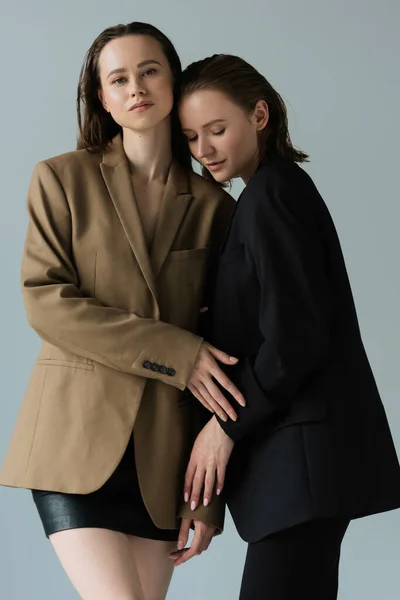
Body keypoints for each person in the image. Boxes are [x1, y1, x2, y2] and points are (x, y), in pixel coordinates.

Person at [0, 26, 244, 600]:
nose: (136, 87)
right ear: (103, 98)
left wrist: (205, 498)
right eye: (118, 78)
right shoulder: (62, 178)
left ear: (173, 80)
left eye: (150, 70)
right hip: (73, 443)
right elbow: (46, 300)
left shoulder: (216, 208)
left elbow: (225, 347)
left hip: (164, 461)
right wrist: (176, 352)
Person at [175, 53, 400, 598]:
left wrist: (223, 427)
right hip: (301, 466)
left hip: (302, 462)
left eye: (217, 129)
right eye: (190, 137)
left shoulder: (273, 192)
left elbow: (295, 338)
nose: (204, 150)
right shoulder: (267, 195)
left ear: (260, 115)